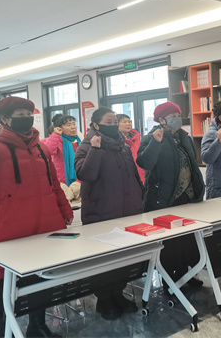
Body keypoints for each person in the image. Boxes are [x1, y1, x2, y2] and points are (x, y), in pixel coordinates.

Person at [0, 96, 74, 338]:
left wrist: (64, 210)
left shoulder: (40, 147)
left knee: (39, 280)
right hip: (5, 230)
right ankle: (5, 332)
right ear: (5, 119)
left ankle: (37, 327)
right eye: (20, 115)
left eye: (29, 114)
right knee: (3, 285)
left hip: (42, 228)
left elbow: (53, 183)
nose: (26, 119)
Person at [74, 107, 143, 320]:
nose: (113, 125)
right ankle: (104, 299)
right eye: (108, 122)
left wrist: (139, 200)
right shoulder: (87, 145)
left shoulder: (123, 146)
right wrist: (95, 150)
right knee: (104, 259)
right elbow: (84, 174)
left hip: (126, 210)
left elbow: (133, 176)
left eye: (115, 122)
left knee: (123, 258)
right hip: (100, 212)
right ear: (96, 125)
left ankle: (118, 293)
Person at [137, 101, 205, 287]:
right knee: (170, 243)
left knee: (188, 239)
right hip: (165, 198)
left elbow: (192, 164)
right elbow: (144, 162)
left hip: (187, 197)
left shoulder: (184, 137)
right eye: (173, 116)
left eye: (179, 116)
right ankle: (170, 281)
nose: (178, 119)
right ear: (162, 120)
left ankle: (187, 275)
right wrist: (155, 143)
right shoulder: (151, 137)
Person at [42, 113, 81, 186]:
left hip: (80, 180)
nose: (73, 127)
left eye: (74, 124)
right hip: (63, 182)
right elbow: (48, 151)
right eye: (68, 125)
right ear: (59, 128)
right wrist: (56, 135)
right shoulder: (57, 140)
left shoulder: (79, 140)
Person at [117, 113, 146, 183]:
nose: (128, 124)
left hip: (140, 174)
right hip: (124, 177)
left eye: (129, 121)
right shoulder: (114, 140)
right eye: (124, 122)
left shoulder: (136, 138)